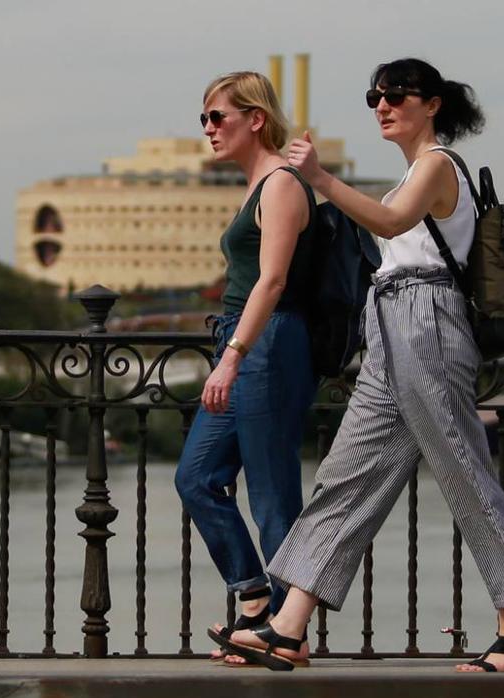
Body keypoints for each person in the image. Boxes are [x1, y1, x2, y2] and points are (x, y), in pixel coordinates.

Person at [212, 58, 504, 673]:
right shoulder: (406, 176)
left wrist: (321, 179)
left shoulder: (439, 166)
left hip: (429, 323)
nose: (383, 106)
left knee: (463, 472)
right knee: (346, 476)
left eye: (396, 96)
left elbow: (392, 223)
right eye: (374, 97)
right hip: (389, 326)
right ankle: (288, 628)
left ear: (433, 104)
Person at [172, 71, 317, 665]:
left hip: (267, 344)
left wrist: (232, 357)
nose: (208, 128)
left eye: (217, 117)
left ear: (255, 119)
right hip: (241, 341)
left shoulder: (280, 184)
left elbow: (274, 280)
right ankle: (255, 602)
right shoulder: (259, 183)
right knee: (197, 478)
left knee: (272, 493)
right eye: (203, 119)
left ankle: (288, 634)